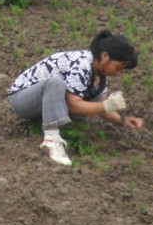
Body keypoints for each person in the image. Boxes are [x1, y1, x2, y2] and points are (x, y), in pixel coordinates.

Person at [8, 30, 142, 166]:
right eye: (118, 67)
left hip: (41, 103)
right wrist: (107, 105)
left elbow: (99, 103)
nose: (119, 73)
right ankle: (51, 140)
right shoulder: (82, 64)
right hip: (21, 100)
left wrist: (123, 120)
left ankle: (57, 130)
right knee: (56, 83)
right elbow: (74, 105)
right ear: (105, 56)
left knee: (81, 118)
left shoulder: (99, 75)